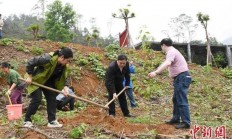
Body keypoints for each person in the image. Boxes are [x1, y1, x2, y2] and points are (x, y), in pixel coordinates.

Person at [23, 47, 73, 128]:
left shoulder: (64, 66)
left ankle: (52, 121)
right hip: (36, 80)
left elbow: (65, 77)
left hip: (47, 81)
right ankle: (27, 120)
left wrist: (66, 88)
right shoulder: (47, 58)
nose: (68, 63)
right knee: (37, 99)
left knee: (52, 98)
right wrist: (29, 76)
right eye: (67, 60)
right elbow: (31, 62)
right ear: (62, 57)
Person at [148, 38, 192, 129]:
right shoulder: (173, 51)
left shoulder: (171, 52)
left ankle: (186, 122)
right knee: (176, 99)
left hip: (182, 77)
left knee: (181, 100)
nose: (162, 49)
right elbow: (167, 63)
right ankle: (176, 118)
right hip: (180, 77)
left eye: (162, 47)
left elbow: (167, 63)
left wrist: (156, 72)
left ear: (163, 45)